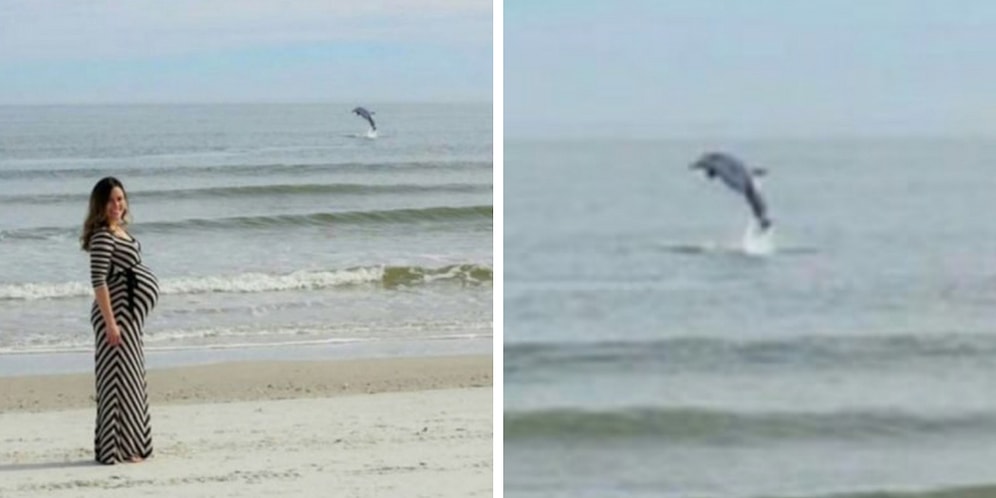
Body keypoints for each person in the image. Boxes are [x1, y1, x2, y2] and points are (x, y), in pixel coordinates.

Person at [80, 177, 159, 464]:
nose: (117, 205)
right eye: (111, 200)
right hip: (115, 317)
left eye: (120, 199)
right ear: (100, 204)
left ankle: (132, 445)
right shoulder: (103, 236)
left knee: (132, 379)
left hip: (129, 317)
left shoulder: (120, 231)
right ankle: (117, 449)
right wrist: (111, 323)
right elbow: (99, 281)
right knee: (118, 381)